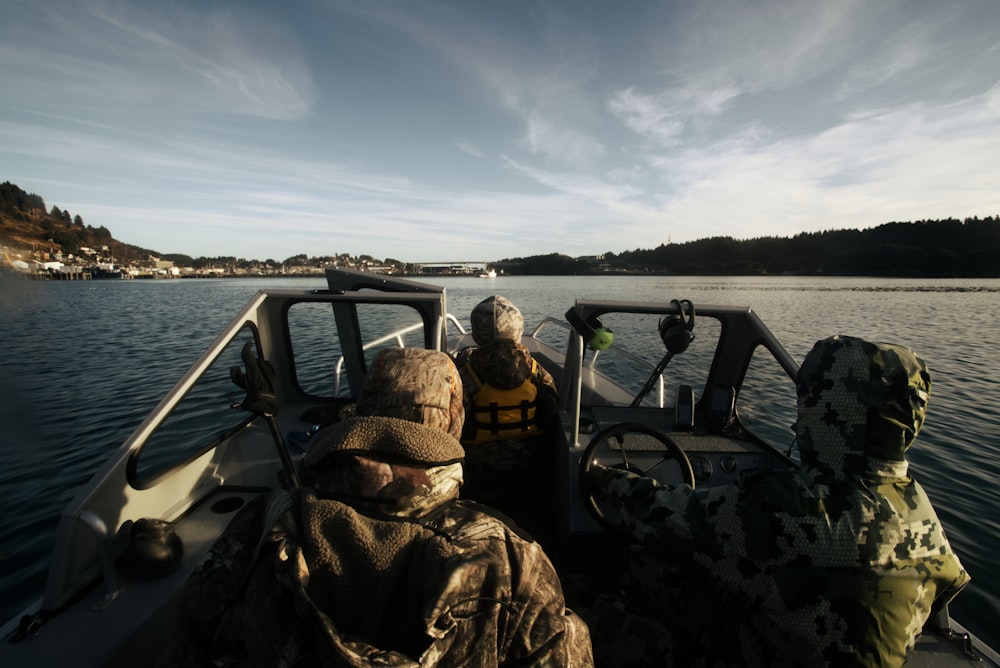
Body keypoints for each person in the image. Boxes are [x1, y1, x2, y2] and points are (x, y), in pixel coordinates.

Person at [160, 347, 593, 667]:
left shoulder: (263, 523)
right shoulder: (507, 555)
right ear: (455, 423)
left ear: (361, 412)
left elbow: (189, 638)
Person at [584, 335, 970, 667]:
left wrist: (606, 478)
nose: (796, 424)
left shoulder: (791, 507)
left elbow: (669, 517)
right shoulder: (920, 508)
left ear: (833, 417)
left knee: (615, 581)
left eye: (809, 408)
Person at [452, 295, 560, 531]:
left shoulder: (466, 373)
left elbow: (454, 423)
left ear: (478, 333)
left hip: (478, 465)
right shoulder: (537, 371)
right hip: (526, 462)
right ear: (517, 329)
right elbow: (550, 415)